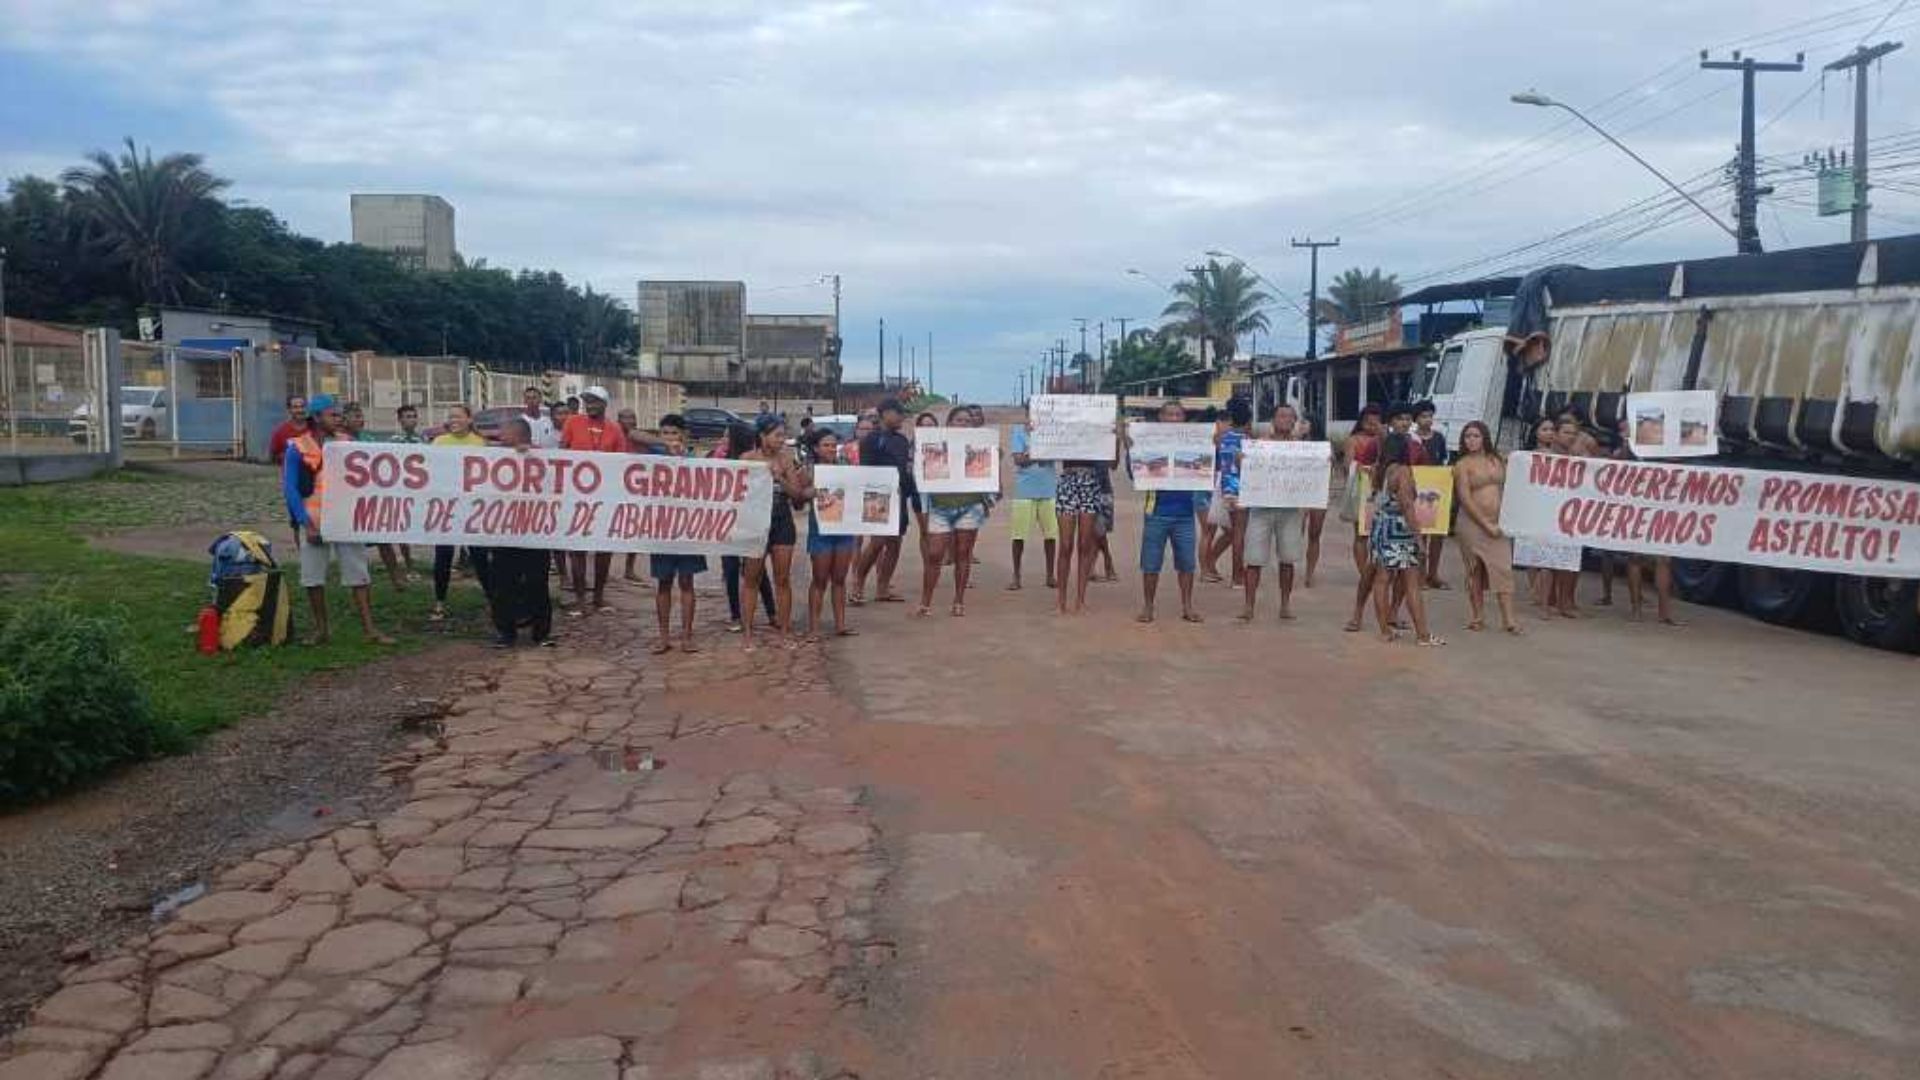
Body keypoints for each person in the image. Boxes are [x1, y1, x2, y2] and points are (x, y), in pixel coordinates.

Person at [282, 396, 392, 646]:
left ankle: (370, 629)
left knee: (359, 574)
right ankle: (322, 630)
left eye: (339, 415)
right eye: (333, 415)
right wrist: (305, 523)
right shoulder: (297, 447)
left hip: (346, 519)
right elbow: (290, 489)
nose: (338, 419)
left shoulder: (348, 443)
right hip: (314, 519)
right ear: (318, 417)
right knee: (313, 577)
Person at [1131, 401, 1202, 624]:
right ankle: (1148, 606)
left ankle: (1187, 606)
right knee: (1151, 563)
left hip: (1185, 512)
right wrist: (1132, 447)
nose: (1173, 419)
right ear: (1160, 417)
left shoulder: (1195, 442)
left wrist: (1213, 445)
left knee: (1187, 563)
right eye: (1169, 414)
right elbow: (1135, 472)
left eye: (1177, 415)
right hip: (1156, 510)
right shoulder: (1147, 442)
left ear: (1184, 418)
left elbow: (1207, 467)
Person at [918, 403, 992, 617]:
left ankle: (958, 600)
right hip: (941, 506)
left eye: (967, 421)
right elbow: (925, 479)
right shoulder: (935, 445)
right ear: (949, 423)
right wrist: (924, 509)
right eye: (958, 420)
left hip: (970, 505)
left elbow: (991, 473)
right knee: (934, 554)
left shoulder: (980, 446)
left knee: (963, 553)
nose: (963, 424)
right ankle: (926, 602)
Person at [1369, 433, 1442, 645]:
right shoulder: (1402, 471)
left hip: (1381, 528)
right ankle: (1423, 635)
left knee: (1381, 580)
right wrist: (1418, 538)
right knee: (1412, 583)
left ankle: (1385, 631)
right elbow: (1407, 506)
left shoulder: (1379, 470)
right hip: (1400, 531)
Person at [740, 414, 805, 650]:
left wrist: (779, 478)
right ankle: (747, 634)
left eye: (783, 435)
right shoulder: (747, 459)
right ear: (762, 436)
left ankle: (784, 633)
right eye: (777, 435)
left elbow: (797, 495)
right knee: (751, 578)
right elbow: (736, 493)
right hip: (756, 521)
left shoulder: (786, 460)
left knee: (783, 578)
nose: (781, 440)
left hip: (781, 520)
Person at [488, 417, 555, 648]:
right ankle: (506, 632)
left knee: (537, 583)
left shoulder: (540, 456)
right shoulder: (493, 456)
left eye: (504, 433)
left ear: (519, 435)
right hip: (504, 531)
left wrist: (530, 455)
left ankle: (541, 633)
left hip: (535, 532)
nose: (500, 437)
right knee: (503, 584)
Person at [559, 386, 626, 614]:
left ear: (605, 405)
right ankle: (580, 599)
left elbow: (621, 465)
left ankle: (598, 596)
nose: (590, 405)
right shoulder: (572, 423)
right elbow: (561, 453)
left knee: (603, 549)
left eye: (595, 401)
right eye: (587, 401)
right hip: (575, 495)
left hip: (604, 497)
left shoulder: (615, 430)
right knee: (577, 548)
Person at [1452, 420, 1519, 634]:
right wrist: (1485, 523)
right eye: (1468, 436)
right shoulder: (1462, 465)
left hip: (1498, 523)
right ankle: (1478, 616)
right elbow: (1465, 498)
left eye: (1476, 436)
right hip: (1472, 523)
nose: (1471, 440)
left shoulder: (1496, 460)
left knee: (1503, 568)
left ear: (1484, 438)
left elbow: (1513, 484)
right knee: (1475, 569)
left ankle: (1509, 619)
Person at [1240, 404, 1306, 622]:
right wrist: (1241, 460)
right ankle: (1249, 606)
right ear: (1273, 420)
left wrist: (1324, 464)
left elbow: (1312, 476)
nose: (1286, 420)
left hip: (1289, 509)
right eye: (1282, 415)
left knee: (1288, 559)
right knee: (1254, 559)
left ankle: (1285, 604)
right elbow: (1242, 466)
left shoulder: (1302, 449)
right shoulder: (1260, 445)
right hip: (1261, 507)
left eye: (1290, 417)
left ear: (1295, 422)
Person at [647, 414, 707, 653]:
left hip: (687, 528)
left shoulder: (693, 459)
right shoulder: (652, 458)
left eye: (674, 433)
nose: (670, 438)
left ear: (684, 435)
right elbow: (630, 434)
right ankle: (663, 637)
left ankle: (686, 635)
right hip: (661, 527)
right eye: (665, 433)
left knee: (687, 582)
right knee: (663, 583)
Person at [428, 404, 491, 622]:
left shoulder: (480, 443)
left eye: (458, 416)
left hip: (472, 509)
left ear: (469, 420)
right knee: (443, 557)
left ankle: (492, 600)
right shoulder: (438, 442)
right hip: (446, 509)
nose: (453, 420)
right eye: (450, 417)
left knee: (480, 557)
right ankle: (439, 602)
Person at [851, 399, 918, 604]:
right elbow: (866, 470)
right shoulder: (872, 439)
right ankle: (858, 583)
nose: (902, 417)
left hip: (900, 496)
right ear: (885, 414)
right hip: (878, 496)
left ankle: (883, 588)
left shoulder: (901, 440)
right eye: (898, 413)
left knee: (895, 544)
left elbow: (906, 467)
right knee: (877, 542)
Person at [715, 422, 779, 631]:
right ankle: (736, 615)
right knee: (731, 569)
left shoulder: (753, 462)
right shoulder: (719, 459)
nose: (722, 441)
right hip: (728, 521)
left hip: (749, 521)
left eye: (726, 437)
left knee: (755, 570)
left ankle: (771, 612)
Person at [1056, 407, 1118, 616]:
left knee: (1085, 544)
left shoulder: (1099, 433)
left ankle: (1080, 600)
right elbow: (1045, 449)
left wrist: (1114, 439)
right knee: (1065, 545)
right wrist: (1037, 432)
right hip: (1068, 480)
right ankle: (1061, 601)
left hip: (1091, 481)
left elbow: (1113, 463)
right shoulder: (1064, 430)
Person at [803, 428, 858, 640]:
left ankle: (840, 624)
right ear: (816, 448)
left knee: (839, 579)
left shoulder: (845, 468)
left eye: (833, 445)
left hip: (843, 528)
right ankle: (814, 628)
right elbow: (799, 499)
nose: (831, 448)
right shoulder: (809, 471)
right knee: (819, 579)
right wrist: (810, 492)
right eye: (826, 445)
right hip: (821, 529)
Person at [1341, 405, 1388, 633]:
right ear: (1362, 421)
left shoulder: (1386, 439)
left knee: (1378, 534)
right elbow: (1347, 464)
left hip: (1382, 491)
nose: (1372, 425)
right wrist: (1364, 469)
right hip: (1363, 489)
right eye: (1369, 421)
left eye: (1376, 421)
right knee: (1361, 533)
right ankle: (1364, 572)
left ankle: (1373, 571)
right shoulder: (1354, 440)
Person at [1007, 402, 1059, 591]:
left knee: (1051, 535)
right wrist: (1040, 453)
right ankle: (1016, 575)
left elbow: (1051, 455)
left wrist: (1031, 454)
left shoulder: (1052, 433)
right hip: (1025, 491)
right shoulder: (1019, 432)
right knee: (1018, 536)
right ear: (1027, 413)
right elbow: (1018, 460)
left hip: (1048, 490)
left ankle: (1050, 575)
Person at [1203, 398, 1253, 586]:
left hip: (1225, 487)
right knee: (1239, 534)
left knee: (1234, 533)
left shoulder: (1221, 438)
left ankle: (1230, 573)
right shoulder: (1248, 441)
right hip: (1243, 488)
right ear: (1248, 419)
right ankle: (1237, 576)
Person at [1413, 400, 1451, 589]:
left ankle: (1433, 574)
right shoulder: (1411, 439)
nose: (1427, 420)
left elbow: (1444, 461)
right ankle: (1420, 575)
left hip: (1437, 488)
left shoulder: (1439, 438)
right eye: (1423, 416)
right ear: (1416, 419)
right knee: (1422, 534)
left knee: (1438, 534)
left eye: (1430, 416)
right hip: (1417, 489)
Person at [1299, 412, 1330, 587]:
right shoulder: (1296, 444)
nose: (1301, 425)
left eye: (1304, 422)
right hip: (1300, 492)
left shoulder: (1325, 446)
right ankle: (1292, 564)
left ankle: (1310, 572)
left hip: (1318, 492)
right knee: (1297, 531)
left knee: (1314, 534)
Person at [269, 395, 310, 466]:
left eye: (302, 406)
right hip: (290, 474)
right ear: (289, 410)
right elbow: (273, 456)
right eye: (295, 407)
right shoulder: (280, 432)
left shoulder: (314, 428)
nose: (300, 410)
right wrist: (290, 456)